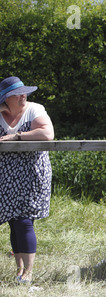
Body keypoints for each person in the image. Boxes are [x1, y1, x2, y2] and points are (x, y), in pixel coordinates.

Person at [0, 76, 54, 283]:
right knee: (13, 222)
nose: (23, 96)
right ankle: (19, 270)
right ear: (6, 98)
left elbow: (47, 133)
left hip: (32, 173)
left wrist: (18, 136)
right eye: (17, 94)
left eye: (24, 92)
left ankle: (29, 273)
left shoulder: (34, 109)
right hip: (6, 174)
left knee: (24, 220)